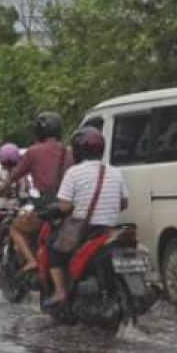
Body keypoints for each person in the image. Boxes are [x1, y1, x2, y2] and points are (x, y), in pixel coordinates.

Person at [44, 126, 129, 306]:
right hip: (108, 230)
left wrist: (52, 210)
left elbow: (65, 206)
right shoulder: (116, 172)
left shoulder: (74, 172)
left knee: (52, 246)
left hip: (84, 230)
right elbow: (124, 203)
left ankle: (60, 291)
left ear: (78, 150)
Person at [8, 112, 73, 270]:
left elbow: (14, 176)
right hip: (67, 208)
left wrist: (2, 186)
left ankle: (31, 260)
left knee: (15, 228)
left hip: (45, 208)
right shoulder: (69, 152)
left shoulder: (34, 152)